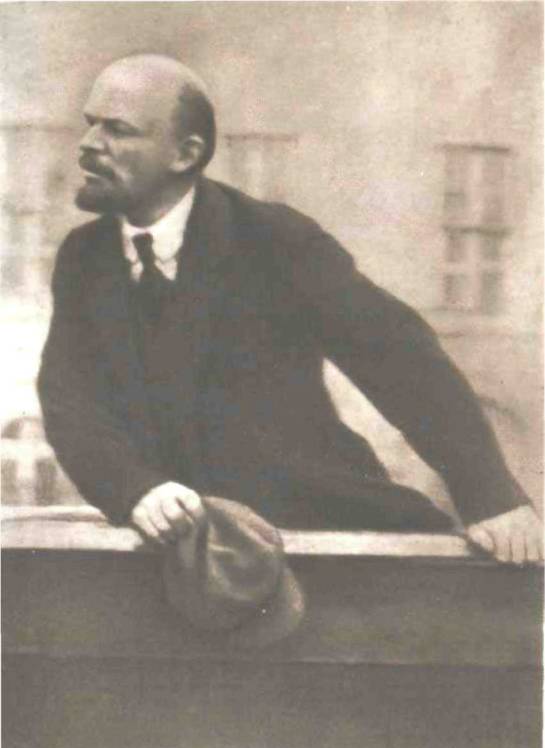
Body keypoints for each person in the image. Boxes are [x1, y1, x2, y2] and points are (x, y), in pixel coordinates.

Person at [38, 53, 542, 568]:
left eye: (118, 130)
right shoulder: (84, 257)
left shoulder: (275, 240)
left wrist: (491, 497)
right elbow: (69, 401)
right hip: (174, 541)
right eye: (90, 124)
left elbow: (400, 359)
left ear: (185, 154)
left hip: (320, 529)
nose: (88, 145)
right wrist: (135, 490)